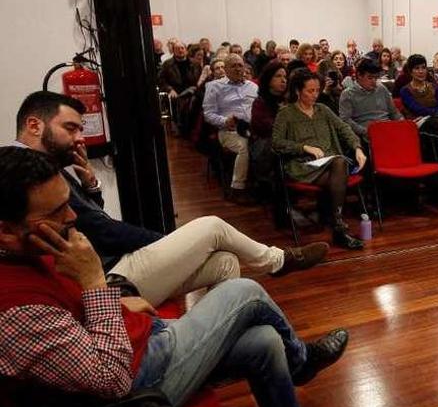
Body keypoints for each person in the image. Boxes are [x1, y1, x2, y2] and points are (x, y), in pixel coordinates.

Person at [0, 146, 348, 407]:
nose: (72, 215)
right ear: (6, 231)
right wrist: (94, 282)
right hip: (132, 391)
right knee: (246, 291)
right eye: (57, 211)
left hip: (135, 343)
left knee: (266, 341)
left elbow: (69, 319)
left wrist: (112, 299)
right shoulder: (13, 310)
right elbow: (111, 379)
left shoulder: (28, 253)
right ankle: (300, 362)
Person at [12, 91, 328, 307]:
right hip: (108, 276)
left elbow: (90, 223)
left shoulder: (47, 167)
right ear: (34, 125)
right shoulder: (27, 174)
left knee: (226, 262)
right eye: (70, 128)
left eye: (80, 129)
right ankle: (276, 261)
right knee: (212, 227)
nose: (79, 138)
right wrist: (165, 244)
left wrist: (92, 188)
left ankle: (220, 340)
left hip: (109, 264)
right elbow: (101, 230)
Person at [273, 69, 368, 250]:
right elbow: (277, 143)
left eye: (317, 90)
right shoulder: (286, 114)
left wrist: (357, 148)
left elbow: (344, 128)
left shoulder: (323, 110)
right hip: (303, 165)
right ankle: (339, 228)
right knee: (339, 165)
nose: (315, 95)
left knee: (338, 163)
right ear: (297, 91)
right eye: (310, 91)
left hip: (329, 163)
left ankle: (338, 226)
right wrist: (303, 147)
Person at [203, 54, 259, 203]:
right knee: (244, 147)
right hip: (229, 131)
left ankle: (262, 186)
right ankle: (237, 188)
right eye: (233, 66)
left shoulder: (253, 87)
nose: (238, 69)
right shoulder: (214, 86)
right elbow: (208, 114)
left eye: (240, 65)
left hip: (252, 130)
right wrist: (224, 121)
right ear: (225, 69)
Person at [250, 61, 288, 202]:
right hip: (265, 144)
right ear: (268, 79)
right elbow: (267, 127)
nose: (283, 80)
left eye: (285, 76)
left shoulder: (289, 100)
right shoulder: (260, 102)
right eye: (278, 76)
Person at [338, 59, 403, 141]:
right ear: (359, 75)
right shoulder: (348, 94)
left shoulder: (381, 88)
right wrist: (365, 131)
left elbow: (394, 112)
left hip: (387, 128)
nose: (374, 82)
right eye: (370, 78)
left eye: (376, 78)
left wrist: (402, 123)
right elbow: (345, 120)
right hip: (367, 133)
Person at [399, 54, 438, 131]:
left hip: (435, 120)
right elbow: (417, 109)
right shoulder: (405, 90)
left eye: (423, 68)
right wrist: (435, 112)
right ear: (410, 71)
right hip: (416, 122)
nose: (421, 71)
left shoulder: (434, 87)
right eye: (417, 68)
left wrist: (436, 113)